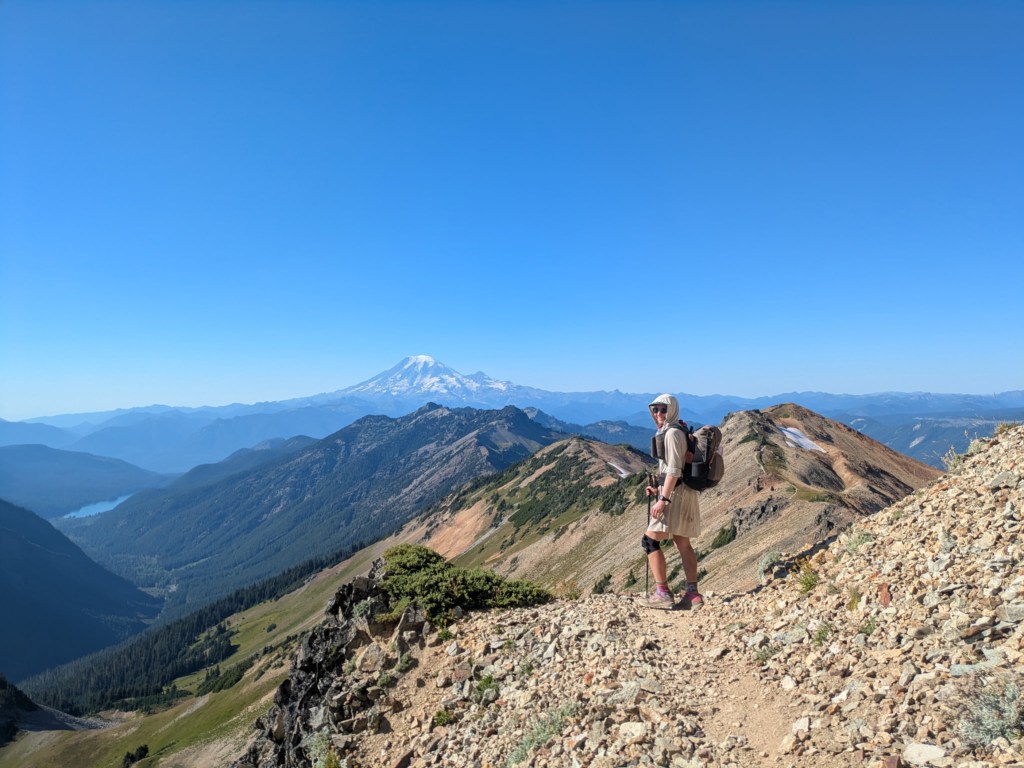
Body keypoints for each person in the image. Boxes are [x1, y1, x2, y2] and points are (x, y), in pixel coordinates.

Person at [642, 393, 703, 610]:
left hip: (674, 496)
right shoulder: (679, 430)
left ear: (672, 410)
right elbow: (672, 469)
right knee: (682, 543)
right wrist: (657, 488)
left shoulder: (672, 433)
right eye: (655, 409)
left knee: (649, 542)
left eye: (663, 409)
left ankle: (663, 593)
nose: (658, 414)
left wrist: (663, 499)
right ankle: (692, 595)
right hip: (683, 493)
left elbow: (674, 470)